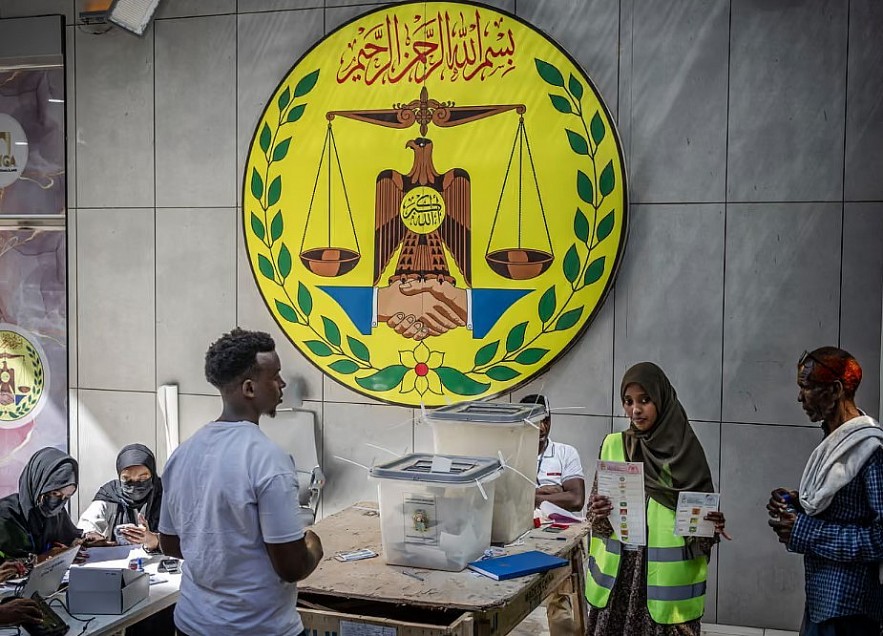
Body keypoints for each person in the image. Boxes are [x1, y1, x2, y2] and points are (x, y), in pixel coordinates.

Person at [159, 328, 324, 636]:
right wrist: (314, 546)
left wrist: (221, 552)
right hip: (257, 629)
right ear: (249, 388)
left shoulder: (183, 453)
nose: (282, 384)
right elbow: (291, 567)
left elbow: (169, 543)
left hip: (191, 625)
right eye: (274, 376)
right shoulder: (268, 459)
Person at [586, 362, 728, 635]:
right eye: (628, 401)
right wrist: (598, 511)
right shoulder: (613, 445)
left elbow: (701, 538)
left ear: (662, 400)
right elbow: (593, 519)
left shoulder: (687, 455)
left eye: (645, 400)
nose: (635, 410)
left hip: (665, 589)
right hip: (619, 580)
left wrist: (710, 526)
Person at [767, 347, 883, 635]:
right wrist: (797, 505)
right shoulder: (836, 439)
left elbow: (880, 538)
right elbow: (844, 508)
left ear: (835, 390)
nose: (800, 397)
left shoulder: (869, 449)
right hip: (824, 600)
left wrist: (803, 530)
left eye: (807, 387)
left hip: (849, 609)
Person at [0, 447, 85, 560]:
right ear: (37, 484)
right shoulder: (5, 516)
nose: (59, 502)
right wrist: (46, 557)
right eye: (55, 493)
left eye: (67, 497)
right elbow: (8, 564)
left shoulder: (56, 513)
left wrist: (82, 541)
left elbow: (69, 538)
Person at [77, 443, 163, 553]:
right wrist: (90, 536)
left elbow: (182, 535)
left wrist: (156, 540)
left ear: (152, 475)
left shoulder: (166, 494)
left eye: (142, 478)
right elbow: (88, 522)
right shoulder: (110, 493)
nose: (134, 485)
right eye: (127, 480)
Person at [520, 394, 585, 515]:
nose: (542, 428)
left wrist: (529, 498)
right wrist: (546, 494)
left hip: (556, 525)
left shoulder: (566, 453)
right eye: (535, 422)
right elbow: (503, 499)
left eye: (546, 421)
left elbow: (576, 501)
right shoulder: (511, 455)